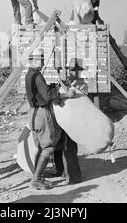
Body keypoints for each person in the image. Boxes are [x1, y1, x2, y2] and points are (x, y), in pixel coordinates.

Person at [25, 48, 66, 190]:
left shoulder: (29, 74)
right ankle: (36, 180)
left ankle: (37, 176)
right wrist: (57, 89)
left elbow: (40, 92)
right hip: (42, 114)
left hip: (33, 113)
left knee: (40, 146)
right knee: (48, 147)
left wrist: (49, 87)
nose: (42, 62)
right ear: (34, 61)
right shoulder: (37, 76)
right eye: (40, 60)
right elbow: (47, 97)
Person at [49, 58, 85, 184]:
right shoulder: (65, 82)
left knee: (69, 148)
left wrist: (65, 94)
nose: (75, 72)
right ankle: (60, 170)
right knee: (58, 146)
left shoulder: (81, 84)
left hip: (72, 121)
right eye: (73, 70)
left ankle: (74, 177)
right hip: (62, 118)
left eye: (77, 70)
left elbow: (77, 100)